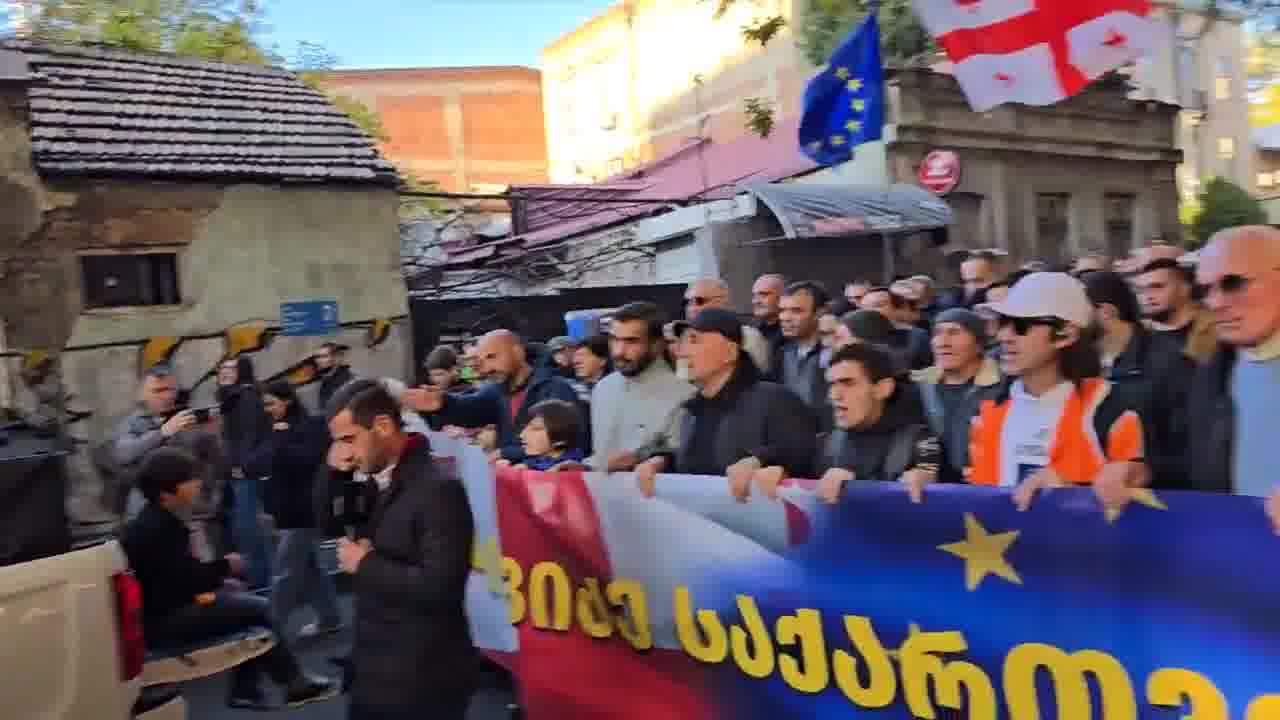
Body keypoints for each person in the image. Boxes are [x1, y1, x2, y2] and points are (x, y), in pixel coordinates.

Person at [122, 447, 336, 711]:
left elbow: (177, 577)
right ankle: (291, 684)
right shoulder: (157, 528)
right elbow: (184, 581)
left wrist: (218, 583)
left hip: (167, 610)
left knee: (244, 607)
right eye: (189, 480)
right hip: (165, 622)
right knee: (256, 608)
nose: (197, 483)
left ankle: (252, 688)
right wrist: (226, 568)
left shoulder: (158, 521)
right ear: (166, 494)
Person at [327, 380, 475, 720]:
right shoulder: (371, 479)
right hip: (376, 671)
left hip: (422, 678)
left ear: (382, 426)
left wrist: (365, 565)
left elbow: (441, 587)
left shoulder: (439, 489)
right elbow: (327, 520)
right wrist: (332, 474)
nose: (345, 452)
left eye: (349, 439)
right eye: (337, 442)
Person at [967, 272, 1150, 514]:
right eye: (1002, 323)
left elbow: (1138, 498)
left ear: (1066, 334)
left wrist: (1072, 494)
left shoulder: (1113, 408)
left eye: (1021, 326)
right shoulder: (985, 411)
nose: (1004, 337)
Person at [632, 309, 818, 501]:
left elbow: (804, 453)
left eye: (694, 340)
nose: (680, 351)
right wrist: (663, 461)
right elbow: (698, 468)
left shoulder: (775, 399)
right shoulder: (690, 412)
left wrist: (760, 461)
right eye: (681, 342)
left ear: (729, 352)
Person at [1187, 227, 1280, 516]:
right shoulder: (1209, 372)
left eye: (1234, 283)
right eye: (1205, 290)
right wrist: (1139, 470)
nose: (1216, 303)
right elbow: (1195, 469)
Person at [1082, 270, 1194, 488]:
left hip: (1157, 503)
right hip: (1094, 502)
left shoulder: (1170, 361)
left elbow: (1193, 447)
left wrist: (1147, 470)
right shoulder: (1081, 365)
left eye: (1078, 311)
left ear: (1106, 313)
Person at [249, 380, 342, 639]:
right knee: (309, 568)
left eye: (271, 403)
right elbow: (256, 461)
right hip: (286, 508)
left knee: (286, 572)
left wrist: (280, 442)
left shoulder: (310, 426)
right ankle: (329, 617)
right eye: (265, 404)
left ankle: (271, 628)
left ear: (287, 400)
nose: (267, 409)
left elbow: (307, 461)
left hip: (304, 509)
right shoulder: (271, 429)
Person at [405, 330, 582, 463]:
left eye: (492, 357)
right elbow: (470, 409)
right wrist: (442, 403)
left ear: (518, 352)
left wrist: (506, 453)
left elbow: (565, 443)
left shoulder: (555, 388)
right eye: (481, 361)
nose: (486, 368)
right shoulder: (497, 391)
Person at [808, 343, 941, 504]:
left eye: (848, 383)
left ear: (883, 389)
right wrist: (778, 473)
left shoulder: (919, 440)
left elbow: (931, 479)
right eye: (832, 384)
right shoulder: (825, 444)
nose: (834, 395)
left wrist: (926, 482)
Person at [589, 301, 693, 472]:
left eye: (631, 341)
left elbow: (686, 466)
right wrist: (582, 468)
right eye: (614, 339)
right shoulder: (603, 388)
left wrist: (648, 459)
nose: (619, 351)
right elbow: (601, 458)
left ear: (658, 345)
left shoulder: (685, 395)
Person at [911, 309, 1003, 484]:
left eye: (954, 332)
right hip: (931, 495)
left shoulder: (1005, 387)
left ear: (978, 344)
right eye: (937, 333)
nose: (942, 342)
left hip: (986, 492)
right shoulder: (918, 385)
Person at [112, 364, 202, 519]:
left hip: (179, 509)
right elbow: (123, 454)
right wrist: (162, 432)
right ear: (144, 394)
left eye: (170, 390)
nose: (166, 396)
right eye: (158, 391)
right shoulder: (133, 422)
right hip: (145, 509)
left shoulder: (184, 419)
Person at [216, 355, 273, 590]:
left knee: (248, 530)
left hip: (243, 473)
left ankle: (259, 583)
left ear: (242, 371)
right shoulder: (232, 396)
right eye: (222, 367)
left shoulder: (245, 396)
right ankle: (251, 579)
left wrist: (242, 466)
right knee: (235, 527)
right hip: (233, 473)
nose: (224, 372)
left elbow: (250, 435)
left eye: (231, 368)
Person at [1134, 258, 1216, 365]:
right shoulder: (1139, 336)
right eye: (1141, 290)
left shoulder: (1214, 333)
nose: (1147, 296)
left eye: (1157, 287)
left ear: (1184, 289)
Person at [683, 278, 773, 374]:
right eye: (688, 302)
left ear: (722, 301)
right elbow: (683, 376)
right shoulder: (683, 337)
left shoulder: (748, 336)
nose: (692, 308)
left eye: (699, 301)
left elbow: (756, 380)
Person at [774, 281, 832, 426]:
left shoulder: (835, 353)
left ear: (820, 313)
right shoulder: (781, 352)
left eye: (796, 311)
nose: (785, 317)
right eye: (782, 310)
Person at [503, 399, 588, 471]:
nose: (522, 435)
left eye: (536, 429)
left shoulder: (571, 469)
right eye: (526, 428)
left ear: (560, 440)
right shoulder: (535, 461)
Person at [751, 273, 787, 355]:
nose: (756, 301)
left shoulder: (795, 334)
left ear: (783, 296)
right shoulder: (754, 333)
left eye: (764, 294)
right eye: (754, 296)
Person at [571, 334, 611, 404]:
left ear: (602, 360)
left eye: (583, 356)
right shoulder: (572, 391)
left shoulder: (614, 389)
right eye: (575, 356)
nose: (576, 362)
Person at [315, 342, 355, 411]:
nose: (318, 360)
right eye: (317, 357)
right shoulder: (327, 379)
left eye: (324, 356)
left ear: (336, 359)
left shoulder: (345, 381)